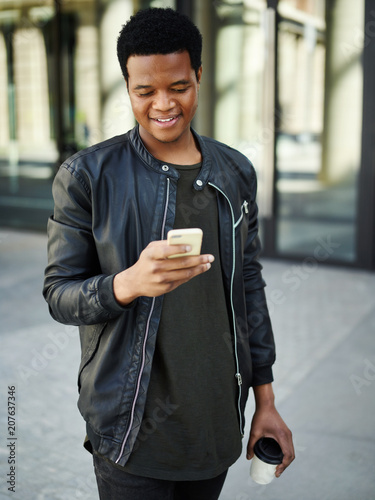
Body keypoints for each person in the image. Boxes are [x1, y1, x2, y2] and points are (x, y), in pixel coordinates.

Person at [43, 7, 294, 500]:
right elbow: (58, 294)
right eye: (144, 91)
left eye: (178, 87)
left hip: (216, 425)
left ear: (199, 76)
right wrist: (127, 283)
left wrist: (265, 399)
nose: (163, 104)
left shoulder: (235, 171)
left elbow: (249, 286)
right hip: (130, 432)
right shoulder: (87, 176)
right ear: (127, 86)